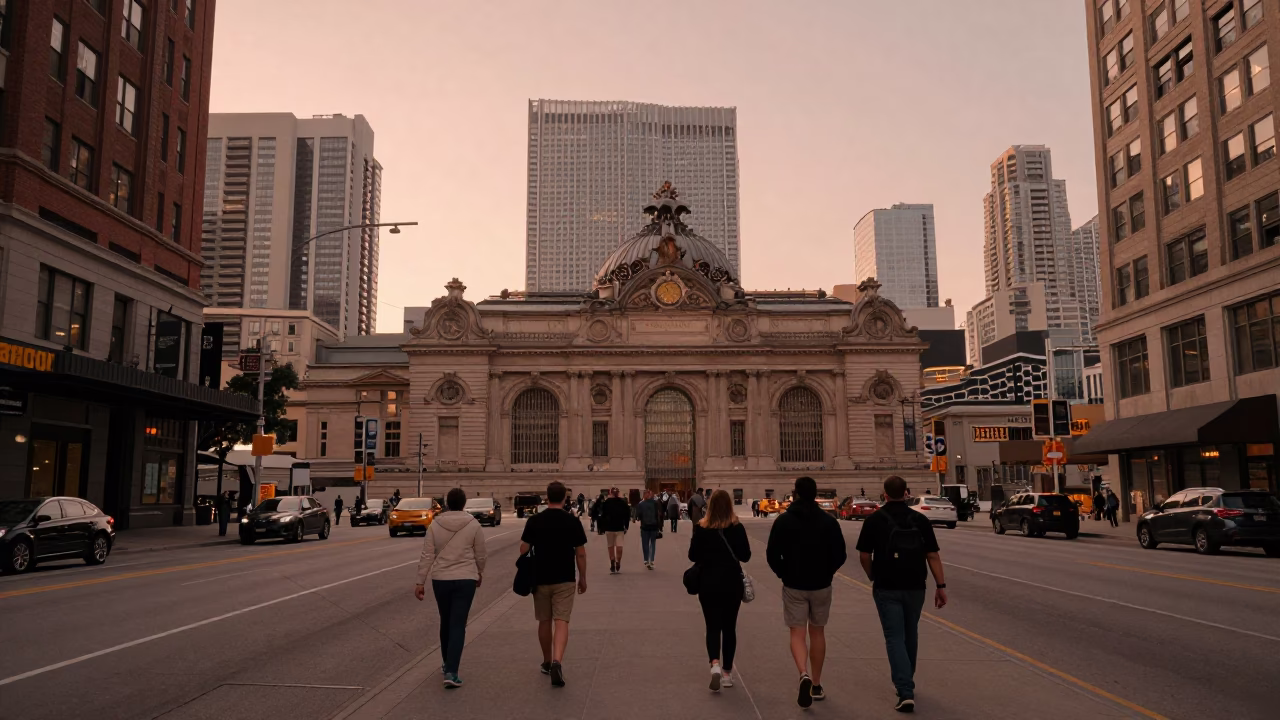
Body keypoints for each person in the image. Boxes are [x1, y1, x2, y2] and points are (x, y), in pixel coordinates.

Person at [857, 475, 947, 713]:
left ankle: (905, 689)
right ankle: (907, 681)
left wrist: (873, 576)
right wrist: (941, 586)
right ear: (906, 492)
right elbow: (933, 555)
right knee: (910, 633)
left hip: (887, 585)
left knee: (894, 636)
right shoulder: (919, 519)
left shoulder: (875, 520)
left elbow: (864, 555)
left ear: (884, 494)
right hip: (916, 585)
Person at [766, 476, 847, 709]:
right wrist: (827, 572)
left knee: (797, 633)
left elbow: (772, 555)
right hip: (821, 585)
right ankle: (817, 684)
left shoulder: (783, 521)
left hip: (794, 585)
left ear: (796, 494)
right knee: (818, 632)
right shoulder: (828, 521)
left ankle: (803, 674)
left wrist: (785, 574)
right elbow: (840, 554)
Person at [415, 487, 487, 689]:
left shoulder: (435, 524)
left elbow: (427, 554)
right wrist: (479, 572)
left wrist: (420, 581)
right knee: (458, 624)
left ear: (447, 503)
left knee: (446, 621)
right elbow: (481, 553)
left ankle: (447, 663)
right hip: (466, 579)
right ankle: (452, 671)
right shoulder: (473, 524)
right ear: (464, 504)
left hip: (441, 579)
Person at [519, 481, 588, 687]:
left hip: (540, 578)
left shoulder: (534, 520)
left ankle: (547, 661)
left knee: (544, 621)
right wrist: (582, 577)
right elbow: (581, 553)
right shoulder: (572, 521)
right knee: (561, 621)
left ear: (547, 498)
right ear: (565, 498)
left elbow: (523, 549)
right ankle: (558, 660)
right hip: (565, 578)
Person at [689, 489, 751, 693]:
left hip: (708, 583)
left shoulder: (702, 527)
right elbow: (745, 555)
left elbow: (692, 555)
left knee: (712, 626)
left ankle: (714, 663)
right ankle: (726, 674)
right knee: (729, 628)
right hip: (731, 583)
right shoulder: (737, 527)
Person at [599, 487, 631, 573]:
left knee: (610, 546)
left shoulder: (606, 503)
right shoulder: (623, 503)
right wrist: (626, 526)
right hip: (620, 527)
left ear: (610, 493)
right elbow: (627, 515)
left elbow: (603, 516)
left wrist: (602, 528)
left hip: (609, 528)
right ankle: (618, 561)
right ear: (618, 493)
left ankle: (612, 561)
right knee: (619, 546)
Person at [634, 490, 662, 569]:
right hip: (654, 526)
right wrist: (659, 527)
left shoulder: (641, 504)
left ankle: (646, 560)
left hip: (644, 526)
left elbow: (638, 516)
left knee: (645, 543)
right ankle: (652, 560)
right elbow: (658, 515)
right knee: (652, 543)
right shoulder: (655, 503)